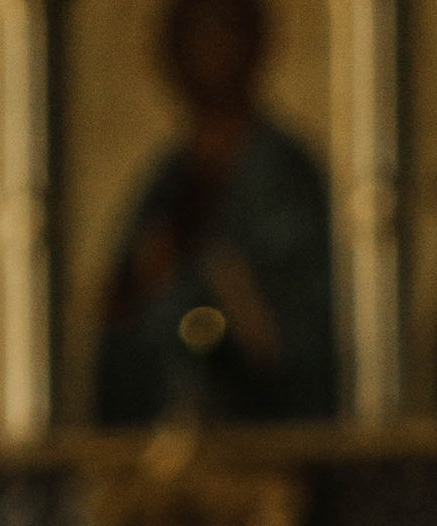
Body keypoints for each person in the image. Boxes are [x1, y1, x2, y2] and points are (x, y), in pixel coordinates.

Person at [95, 0, 337, 425]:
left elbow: (302, 329)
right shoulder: (168, 178)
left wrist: (232, 285)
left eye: (223, 34)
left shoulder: (282, 171)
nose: (210, 53)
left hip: (262, 431)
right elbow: (121, 311)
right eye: (196, 38)